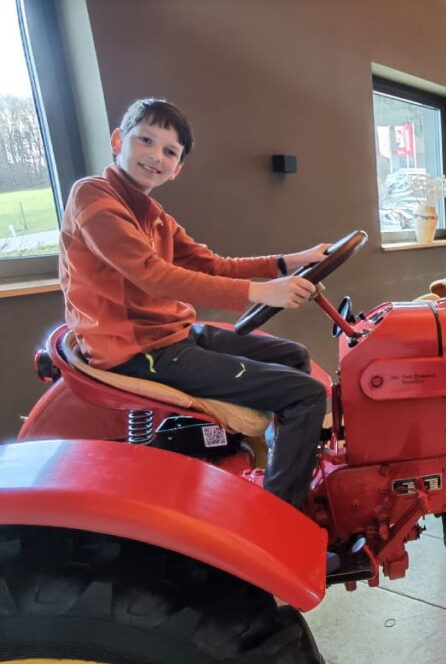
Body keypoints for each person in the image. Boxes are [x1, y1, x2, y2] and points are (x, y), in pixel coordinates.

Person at [59, 97, 329, 511]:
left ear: (178, 167)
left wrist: (290, 262)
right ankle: (284, 512)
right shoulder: (93, 197)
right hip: (140, 352)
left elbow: (212, 264)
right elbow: (151, 273)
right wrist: (259, 292)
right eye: (145, 140)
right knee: (306, 394)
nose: (156, 156)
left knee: (295, 355)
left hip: (171, 337)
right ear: (118, 140)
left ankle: (281, 466)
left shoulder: (155, 216)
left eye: (170, 151)